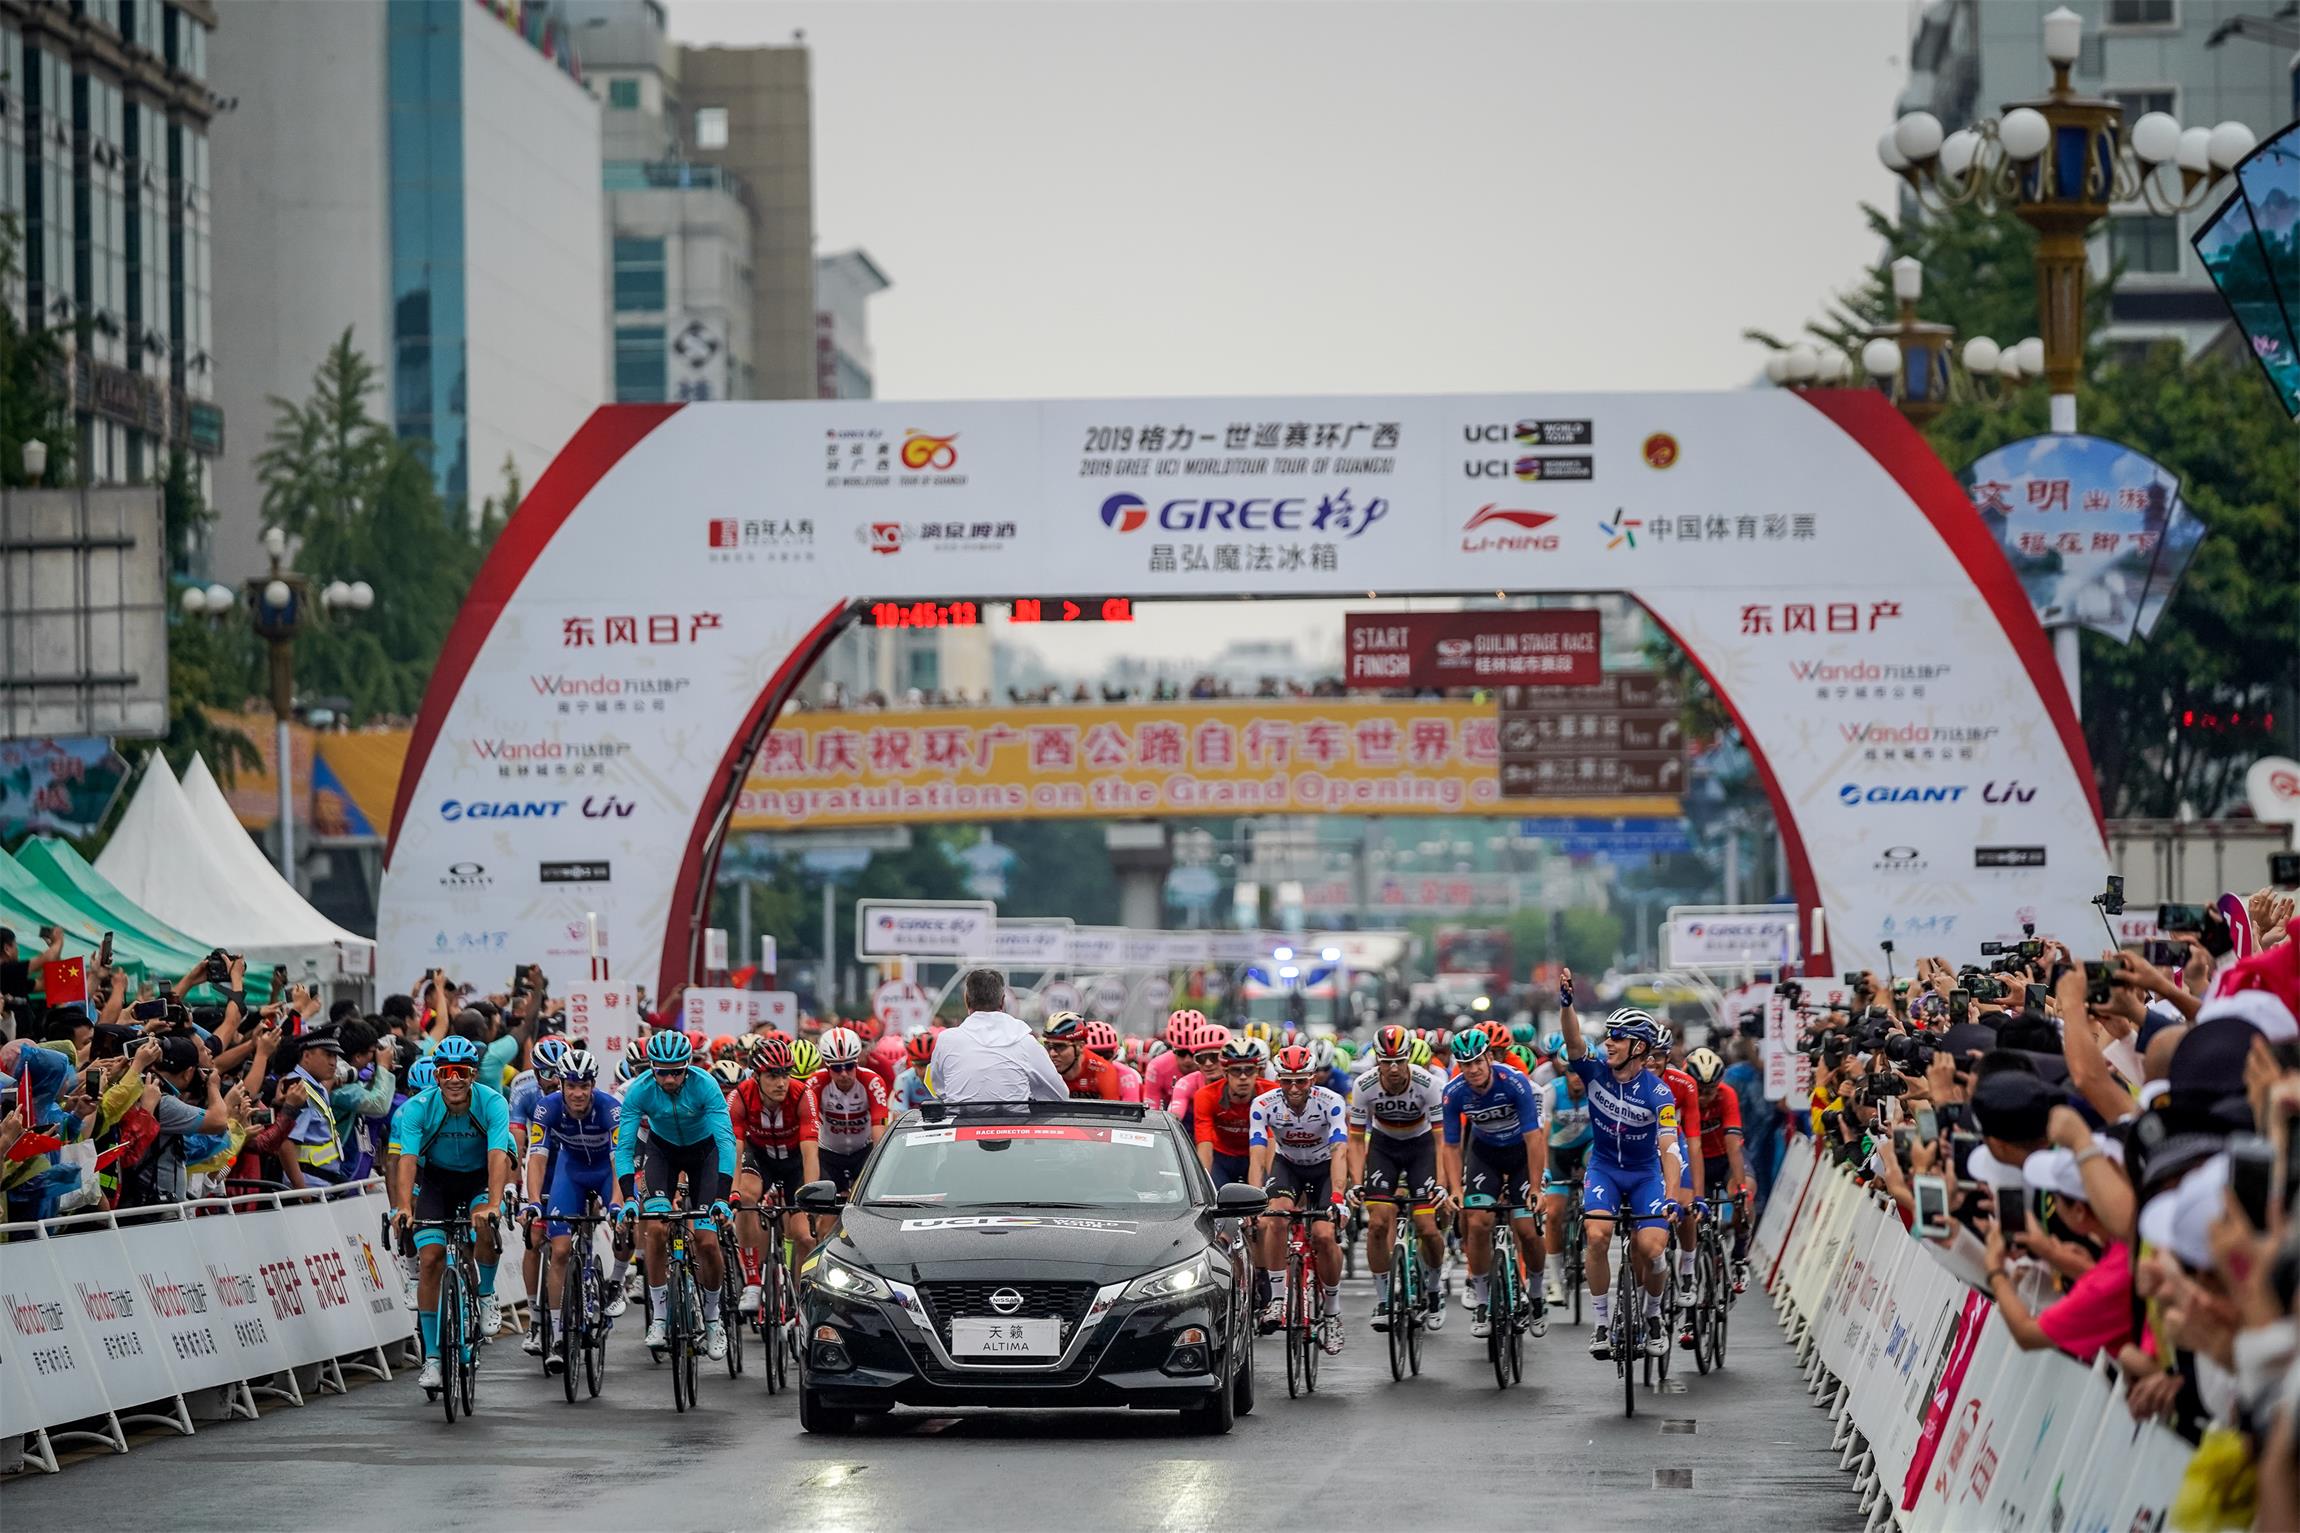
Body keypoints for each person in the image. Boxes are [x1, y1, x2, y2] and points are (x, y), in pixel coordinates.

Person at [1557, 970, 1682, 1361]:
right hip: (1605, 1169)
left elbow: (1669, 1149)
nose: (1608, 1042)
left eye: (1617, 1037)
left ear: (1639, 1047)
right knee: (1596, 1236)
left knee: (1652, 1249)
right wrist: (1566, 1004)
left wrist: (1672, 1197)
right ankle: (1600, 1323)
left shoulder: (1659, 1093)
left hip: (1645, 1174)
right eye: (1608, 1035)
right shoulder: (1594, 1071)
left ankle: (1654, 1314)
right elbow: (1573, 1042)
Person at [387, 1033, 518, 1393]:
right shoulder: (418, 1108)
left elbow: (498, 1155)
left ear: (474, 1074)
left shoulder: (492, 1102)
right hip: (437, 1182)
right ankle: (432, 1358)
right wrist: (403, 1206)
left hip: (478, 1178)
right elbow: (406, 1159)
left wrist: (493, 1205)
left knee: (485, 1229)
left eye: (462, 1071)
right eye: (447, 1072)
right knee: (430, 1259)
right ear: (438, 1076)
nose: (455, 1079)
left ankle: (486, 1294)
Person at [612, 1030, 739, 1362]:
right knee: (655, 1229)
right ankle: (659, 1316)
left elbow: (726, 1143)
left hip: (705, 1155)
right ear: (652, 1068)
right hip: (662, 1153)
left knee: (707, 1241)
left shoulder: (705, 1085)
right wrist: (628, 1198)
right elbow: (624, 1148)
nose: (669, 1079)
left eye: (676, 1072)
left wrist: (722, 1197)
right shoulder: (640, 1090)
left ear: (688, 1066)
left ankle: (713, 1318)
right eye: (662, 1072)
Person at [1439, 1025, 1549, 1340]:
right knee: (1477, 1223)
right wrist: (1455, 1189)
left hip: (1520, 1155)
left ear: (1489, 1057)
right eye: (1465, 1064)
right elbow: (1451, 1145)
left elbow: (1534, 1138)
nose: (1473, 1069)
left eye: (1477, 1061)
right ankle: (1483, 1300)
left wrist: (1536, 1187)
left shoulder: (1514, 1082)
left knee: (1527, 1229)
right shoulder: (1453, 1092)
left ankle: (1536, 1293)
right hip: (1484, 1155)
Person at [520, 1047, 624, 1372]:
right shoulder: (546, 1108)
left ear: (593, 1085)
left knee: (628, 1225)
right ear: (562, 1085)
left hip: (606, 1171)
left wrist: (617, 1204)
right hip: (571, 1172)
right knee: (561, 1250)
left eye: (584, 1086)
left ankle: (617, 1282)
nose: (578, 1093)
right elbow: (537, 1158)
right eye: (572, 1086)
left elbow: (620, 1163)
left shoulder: (611, 1109)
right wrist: (533, 1201)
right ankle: (557, 1335)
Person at [1346, 1022, 1448, 1332]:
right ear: (1377, 1060)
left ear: (1408, 1059)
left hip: (1421, 1148)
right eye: (1386, 1061)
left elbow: (1442, 1139)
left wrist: (1442, 1183)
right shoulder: (1363, 1085)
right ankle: (1383, 1299)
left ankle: (1434, 1289)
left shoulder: (1429, 1084)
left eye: (1399, 1061)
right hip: (1384, 1148)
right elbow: (1355, 1140)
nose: (1393, 1068)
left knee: (1428, 1227)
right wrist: (1357, 1181)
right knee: (1378, 1223)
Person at [1249, 1044, 1349, 1351]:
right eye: (1287, 1081)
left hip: (1324, 1168)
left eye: (1301, 1081)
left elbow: (1340, 1150)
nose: (1294, 1088)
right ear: (1277, 1079)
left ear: (1312, 1078)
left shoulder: (1331, 1102)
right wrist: (1253, 1199)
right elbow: (1257, 1155)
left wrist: (1338, 1197)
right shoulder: (1263, 1104)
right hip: (1288, 1166)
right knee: (1275, 1218)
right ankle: (1278, 1299)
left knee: (1323, 1235)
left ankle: (1332, 1314)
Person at [729, 1033, 820, 1309]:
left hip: (794, 1162)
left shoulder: (803, 1095)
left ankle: (798, 1298)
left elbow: (810, 1153)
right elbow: (735, 1150)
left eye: (785, 1074)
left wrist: (811, 1198)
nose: (781, 1082)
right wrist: (732, 1192)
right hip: (760, 1158)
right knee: (746, 1197)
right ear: (756, 1076)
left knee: (804, 1236)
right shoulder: (740, 1096)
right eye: (772, 1075)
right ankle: (753, 1282)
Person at [931, 969, 1069, 1103]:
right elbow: (1060, 1094)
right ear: (1003, 1001)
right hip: (1014, 1119)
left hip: (960, 1118)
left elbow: (940, 1090)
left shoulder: (946, 1040)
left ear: (966, 1000)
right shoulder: (1025, 1042)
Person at [1685, 1045, 1751, 1293]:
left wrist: (1741, 1188)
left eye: (1710, 1090)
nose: (1704, 1097)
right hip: (1695, 1161)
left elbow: (1733, 1145)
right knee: (1687, 1208)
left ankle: (1739, 1257)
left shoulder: (1727, 1095)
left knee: (1745, 1197)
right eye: (1699, 1090)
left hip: (1724, 1158)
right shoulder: (1680, 1094)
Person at [1540, 1033, 1593, 1307]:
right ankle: (1555, 1281)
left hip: (1588, 1150)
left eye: (1580, 1071)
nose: (1577, 1077)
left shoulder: (1597, 1090)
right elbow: (1542, 1134)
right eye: (1571, 1071)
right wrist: (1543, 1170)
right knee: (1553, 1215)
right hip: (1558, 1154)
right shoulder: (1551, 1091)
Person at [807, 1026, 889, 1198]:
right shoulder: (815, 1083)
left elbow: (879, 1132)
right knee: (825, 1206)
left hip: (863, 1152)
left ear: (857, 1062)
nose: (844, 1074)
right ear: (827, 1066)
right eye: (837, 1068)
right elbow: (808, 1133)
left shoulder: (872, 1081)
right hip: (828, 1154)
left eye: (850, 1066)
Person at [1043, 1012, 1123, 1099]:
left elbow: (1112, 1105)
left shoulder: (1102, 1069)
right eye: (1048, 1046)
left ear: (1080, 1047)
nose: (1052, 1053)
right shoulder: (1043, 1067)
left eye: (1060, 1046)